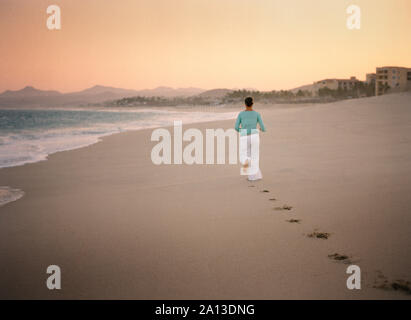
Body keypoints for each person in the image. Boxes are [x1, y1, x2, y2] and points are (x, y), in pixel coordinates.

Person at [234, 97, 265, 181]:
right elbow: (263, 128)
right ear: (252, 103)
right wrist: (259, 129)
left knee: (247, 156)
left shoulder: (241, 114)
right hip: (254, 136)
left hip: (244, 137)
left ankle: (251, 176)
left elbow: (236, 128)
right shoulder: (257, 114)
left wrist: (243, 131)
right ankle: (257, 175)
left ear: (245, 104)